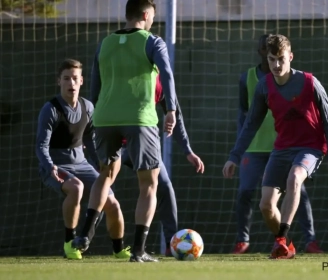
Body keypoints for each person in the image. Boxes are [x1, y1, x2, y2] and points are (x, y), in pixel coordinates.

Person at [72, 0, 177, 263]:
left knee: (106, 174)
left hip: (105, 117)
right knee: (149, 184)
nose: (153, 20)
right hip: (139, 118)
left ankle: (84, 234)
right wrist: (171, 109)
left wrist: (96, 117)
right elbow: (167, 73)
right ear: (145, 14)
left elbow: (95, 84)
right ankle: (139, 251)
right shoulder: (153, 42)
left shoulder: (104, 43)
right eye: (152, 16)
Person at [223, 34, 328, 259]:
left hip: (310, 147)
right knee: (266, 206)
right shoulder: (263, 86)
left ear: (291, 57)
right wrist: (234, 156)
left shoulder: (309, 82)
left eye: (281, 59)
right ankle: (287, 247)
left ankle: (280, 240)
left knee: (296, 177)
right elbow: (250, 125)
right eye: (271, 60)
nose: (276, 65)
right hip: (282, 149)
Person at [36, 59, 130, 260]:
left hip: (82, 164)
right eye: (66, 78)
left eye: (75, 78)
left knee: (112, 203)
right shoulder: (50, 109)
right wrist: (49, 165)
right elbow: (41, 146)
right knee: (76, 187)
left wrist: (101, 164)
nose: (71, 83)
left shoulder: (88, 107)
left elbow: (90, 139)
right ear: (58, 81)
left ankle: (119, 249)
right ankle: (70, 243)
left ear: (81, 82)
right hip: (55, 165)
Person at [121, 74, 205, 257]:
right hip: (116, 144)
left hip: (144, 145)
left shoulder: (161, 81)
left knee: (164, 186)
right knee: (102, 185)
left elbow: (176, 115)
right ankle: (83, 238)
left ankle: (172, 244)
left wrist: (188, 151)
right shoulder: (123, 70)